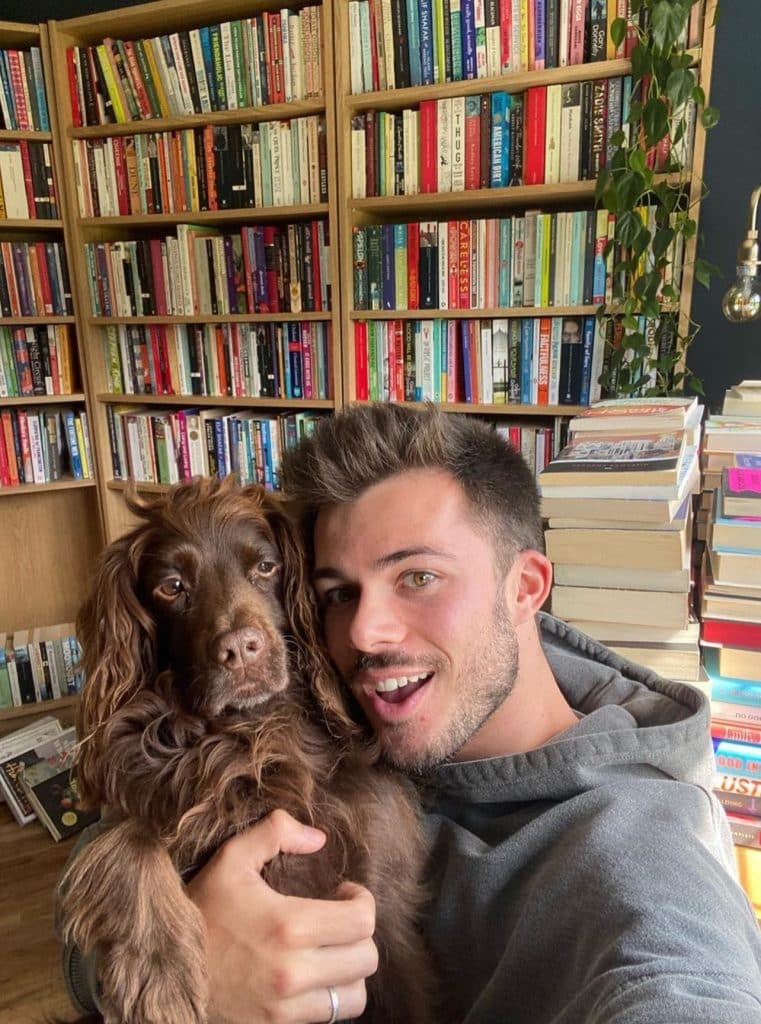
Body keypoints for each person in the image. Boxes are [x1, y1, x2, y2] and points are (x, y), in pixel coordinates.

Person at [62, 403, 761, 1024]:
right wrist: (155, 968)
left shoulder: (642, 860)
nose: (367, 633)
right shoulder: (331, 712)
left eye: (417, 577)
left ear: (525, 587)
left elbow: (685, 983)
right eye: (337, 592)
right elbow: (97, 915)